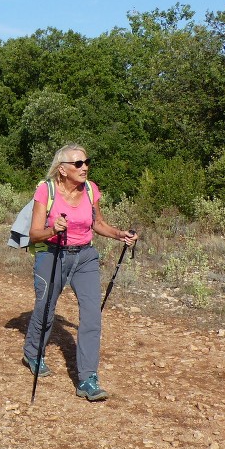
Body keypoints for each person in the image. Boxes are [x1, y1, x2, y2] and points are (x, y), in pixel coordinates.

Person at [21, 144, 137, 401]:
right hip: (52, 255)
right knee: (45, 309)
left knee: (92, 316)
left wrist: (120, 235)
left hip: (85, 256)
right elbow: (34, 233)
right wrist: (54, 230)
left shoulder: (90, 189)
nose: (84, 167)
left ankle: (87, 378)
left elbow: (97, 223)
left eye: (86, 162)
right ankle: (32, 352)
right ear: (62, 170)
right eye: (78, 163)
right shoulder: (46, 190)